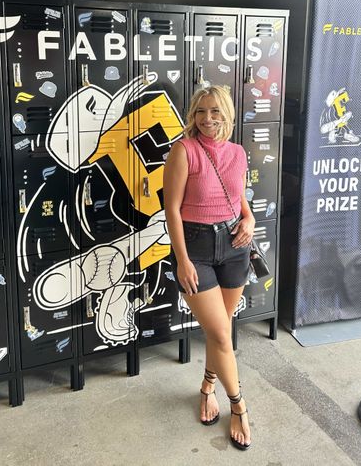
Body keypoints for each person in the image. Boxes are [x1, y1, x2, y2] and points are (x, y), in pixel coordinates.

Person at [163, 85, 255, 451]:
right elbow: (172, 209)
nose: (207, 119)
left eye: (215, 111)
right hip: (197, 249)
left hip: (235, 247)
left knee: (221, 331)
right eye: (201, 111)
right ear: (193, 116)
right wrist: (183, 260)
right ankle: (239, 406)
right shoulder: (184, 150)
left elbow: (238, 198)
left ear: (227, 114)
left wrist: (249, 219)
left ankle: (207, 387)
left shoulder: (238, 152)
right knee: (220, 334)